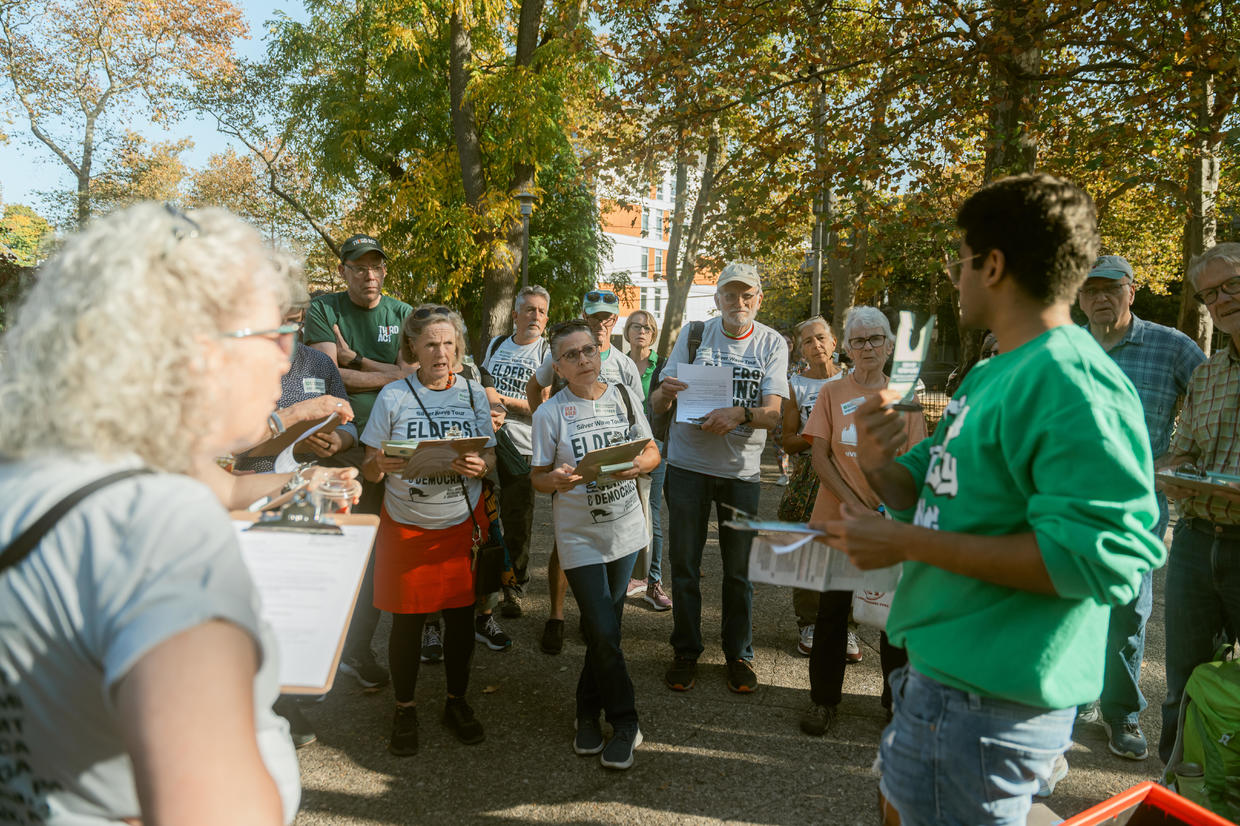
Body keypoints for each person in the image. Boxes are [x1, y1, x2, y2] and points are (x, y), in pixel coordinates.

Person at [822, 174, 1164, 825]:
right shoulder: (991, 370)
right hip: (945, 677)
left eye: (962, 258)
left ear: (996, 265)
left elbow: (1097, 562)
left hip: (991, 698)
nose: (954, 275)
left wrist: (907, 543)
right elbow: (920, 485)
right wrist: (876, 461)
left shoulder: (1072, 380)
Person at [0, 202, 301, 824]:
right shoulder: (158, 523)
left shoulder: (27, 474)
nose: (285, 359)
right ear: (194, 352)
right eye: (274, 335)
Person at [1074, 254, 1204, 761]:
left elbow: (1217, 396)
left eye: (1111, 288)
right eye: (1089, 290)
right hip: (1070, 503)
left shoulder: (1171, 346)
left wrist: (1178, 459)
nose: (1099, 298)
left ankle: (1121, 712)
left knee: (1127, 611)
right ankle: (1077, 697)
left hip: (1135, 507)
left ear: (1132, 291)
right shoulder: (1067, 348)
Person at [359, 304, 496, 757]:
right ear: (412, 347)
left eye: (448, 343)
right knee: (407, 623)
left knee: (460, 621)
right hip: (406, 527)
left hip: (459, 526)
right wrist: (379, 463)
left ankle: (456, 702)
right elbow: (368, 470)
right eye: (431, 343)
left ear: (458, 348)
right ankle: (405, 707)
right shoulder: (393, 397)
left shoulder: (475, 394)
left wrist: (482, 463)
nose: (441, 352)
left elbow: (489, 458)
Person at [651, 262, 789, 694]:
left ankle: (739, 655)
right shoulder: (694, 335)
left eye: (747, 295)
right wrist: (665, 393)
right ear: (718, 300)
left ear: (759, 299)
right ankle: (686, 650)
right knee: (684, 565)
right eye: (730, 295)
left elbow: (773, 414)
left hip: (741, 473)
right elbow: (656, 404)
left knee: (739, 571)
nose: (739, 303)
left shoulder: (771, 343)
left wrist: (739, 414)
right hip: (688, 466)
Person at [531, 320, 662, 770]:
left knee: (608, 633)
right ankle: (626, 722)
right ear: (558, 366)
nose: (584, 360)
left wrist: (636, 465)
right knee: (602, 630)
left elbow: (652, 452)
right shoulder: (549, 414)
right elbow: (537, 478)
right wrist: (556, 480)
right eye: (572, 355)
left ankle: (586, 712)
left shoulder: (624, 396)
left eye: (589, 350)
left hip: (625, 532)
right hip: (579, 537)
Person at [799, 308, 925, 737]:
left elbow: (914, 464)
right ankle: (823, 701)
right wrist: (856, 505)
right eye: (858, 341)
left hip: (888, 524)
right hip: (840, 520)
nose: (867, 347)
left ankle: (895, 704)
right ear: (847, 348)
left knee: (892, 619)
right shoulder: (832, 393)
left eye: (875, 340)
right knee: (832, 614)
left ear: (889, 346)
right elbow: (820, 457)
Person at [304, 233, 413, 692]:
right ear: (343, 270)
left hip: (399, 444)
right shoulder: (322, 309)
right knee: (350, 552)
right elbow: (330, 376)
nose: (369, 275)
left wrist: (359, 360)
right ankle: (331, 650)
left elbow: (418, 375)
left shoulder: (403, 313)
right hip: (346, 444)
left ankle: (363, 645)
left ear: (384, 270)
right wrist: (389, 375)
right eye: (359, 267)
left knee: (399, 550)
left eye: (376, 266)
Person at [1156, 241, 1240, 763]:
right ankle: (1175, 790)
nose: (1222, 299)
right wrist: (1168, 474)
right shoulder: (1207, 375)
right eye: (1210, 294)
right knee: (1181, 683)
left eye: (1231, 284)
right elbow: (1182, 452)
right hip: (1194, 543)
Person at [527, 289, 645, 655]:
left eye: (607, 317)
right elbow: (536, 387)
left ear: (614, 322)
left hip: (617, 487)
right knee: (566, 546)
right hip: (572, 473)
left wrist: (634, 461)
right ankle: (558, 615)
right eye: (594, 316)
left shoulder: (623, 366)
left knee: (607, 609)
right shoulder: (567, 347)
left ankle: (596, 621)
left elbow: (640, 430)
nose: (601, 323)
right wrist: (545, 425)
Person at [482, 285, 551, 619]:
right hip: (488, 441)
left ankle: (514, 587)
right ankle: (483, 585)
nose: (535, 316)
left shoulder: (546, 353)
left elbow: (544, 405)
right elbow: (480, 384)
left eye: (540, 311)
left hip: (524, 448)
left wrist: (501, 402)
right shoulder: (497, 345)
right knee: (484, 517)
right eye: (529, 309)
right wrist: (487, 402)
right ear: (514, 316)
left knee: (517, 522)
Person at [777, 316, 843, 658]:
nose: (815, 345)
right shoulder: (795, 385)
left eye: (821, 338)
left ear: (834, 342)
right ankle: (810, 623)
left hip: (850, 480)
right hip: (808, 481)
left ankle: (846, 628)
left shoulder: (854, 380)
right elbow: (787, 441)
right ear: (801, 349)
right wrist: (820, 435)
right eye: (807, 341)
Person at [622, 309, 672, 610]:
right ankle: (627, 576)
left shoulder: (663, 365)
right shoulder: (617, 362)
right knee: (624, 512)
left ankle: (653, 581)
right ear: (627, 332)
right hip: (622, 449)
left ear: (653, 334)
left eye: (648, 327)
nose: (642, 331)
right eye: (636, 326)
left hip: (656, 447)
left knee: (651, 513)